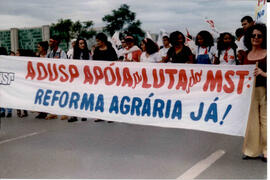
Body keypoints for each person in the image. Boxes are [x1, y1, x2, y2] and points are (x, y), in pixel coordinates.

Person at [242, 23, 267, 163]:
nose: (256, 38)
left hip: (265, 91)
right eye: (253, 35)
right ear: (249, 37)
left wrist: (264, 73)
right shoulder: (246, 55)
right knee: (251, 122)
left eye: (259, 36)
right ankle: (251, 151)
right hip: (249, 93)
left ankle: (267, 151)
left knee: (265, 121)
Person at [92, 33, 118, 123]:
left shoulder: (111, 49)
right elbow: (94, 62)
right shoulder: (96, 50)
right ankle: (101, 115)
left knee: (110, 95)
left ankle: (111, 115)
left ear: (103, 41)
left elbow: (115, 61)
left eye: (98, 41)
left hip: (110, 76)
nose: (97, 43)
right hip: (100, 77)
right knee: (100, 95)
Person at [68, 38, 91, 123]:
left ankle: (83, 114)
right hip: (76, 78)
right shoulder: (74, 54)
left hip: (84, 78)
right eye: (80, 43)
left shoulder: (88, 54)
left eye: (83, 43)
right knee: (74, 96)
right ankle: (74, 115)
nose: (82, 45)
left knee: (83, 96)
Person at [46, 35, 68, 120]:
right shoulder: (50, 53)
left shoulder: (62, 53)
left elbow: (65, 65)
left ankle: (65, 112)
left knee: (63, 94)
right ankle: (53, 112)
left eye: (51, 41)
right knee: (52, 95)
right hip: (52, 78)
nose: (49, 43)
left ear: (56, 42)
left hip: (60, 77)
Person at [35, 41, 50, 119]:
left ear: (43, 48)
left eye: (39, 47)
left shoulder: (49, 56)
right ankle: (41, 111)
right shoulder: (37, 57)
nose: (38, 48)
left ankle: (46, 111)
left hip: (47, 78)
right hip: (39, 78)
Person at [0, 47, 12, 118]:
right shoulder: (8, 60)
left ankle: (2, 111)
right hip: (7, 80)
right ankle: (9, 111)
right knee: (8, 95)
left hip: (3, 79)